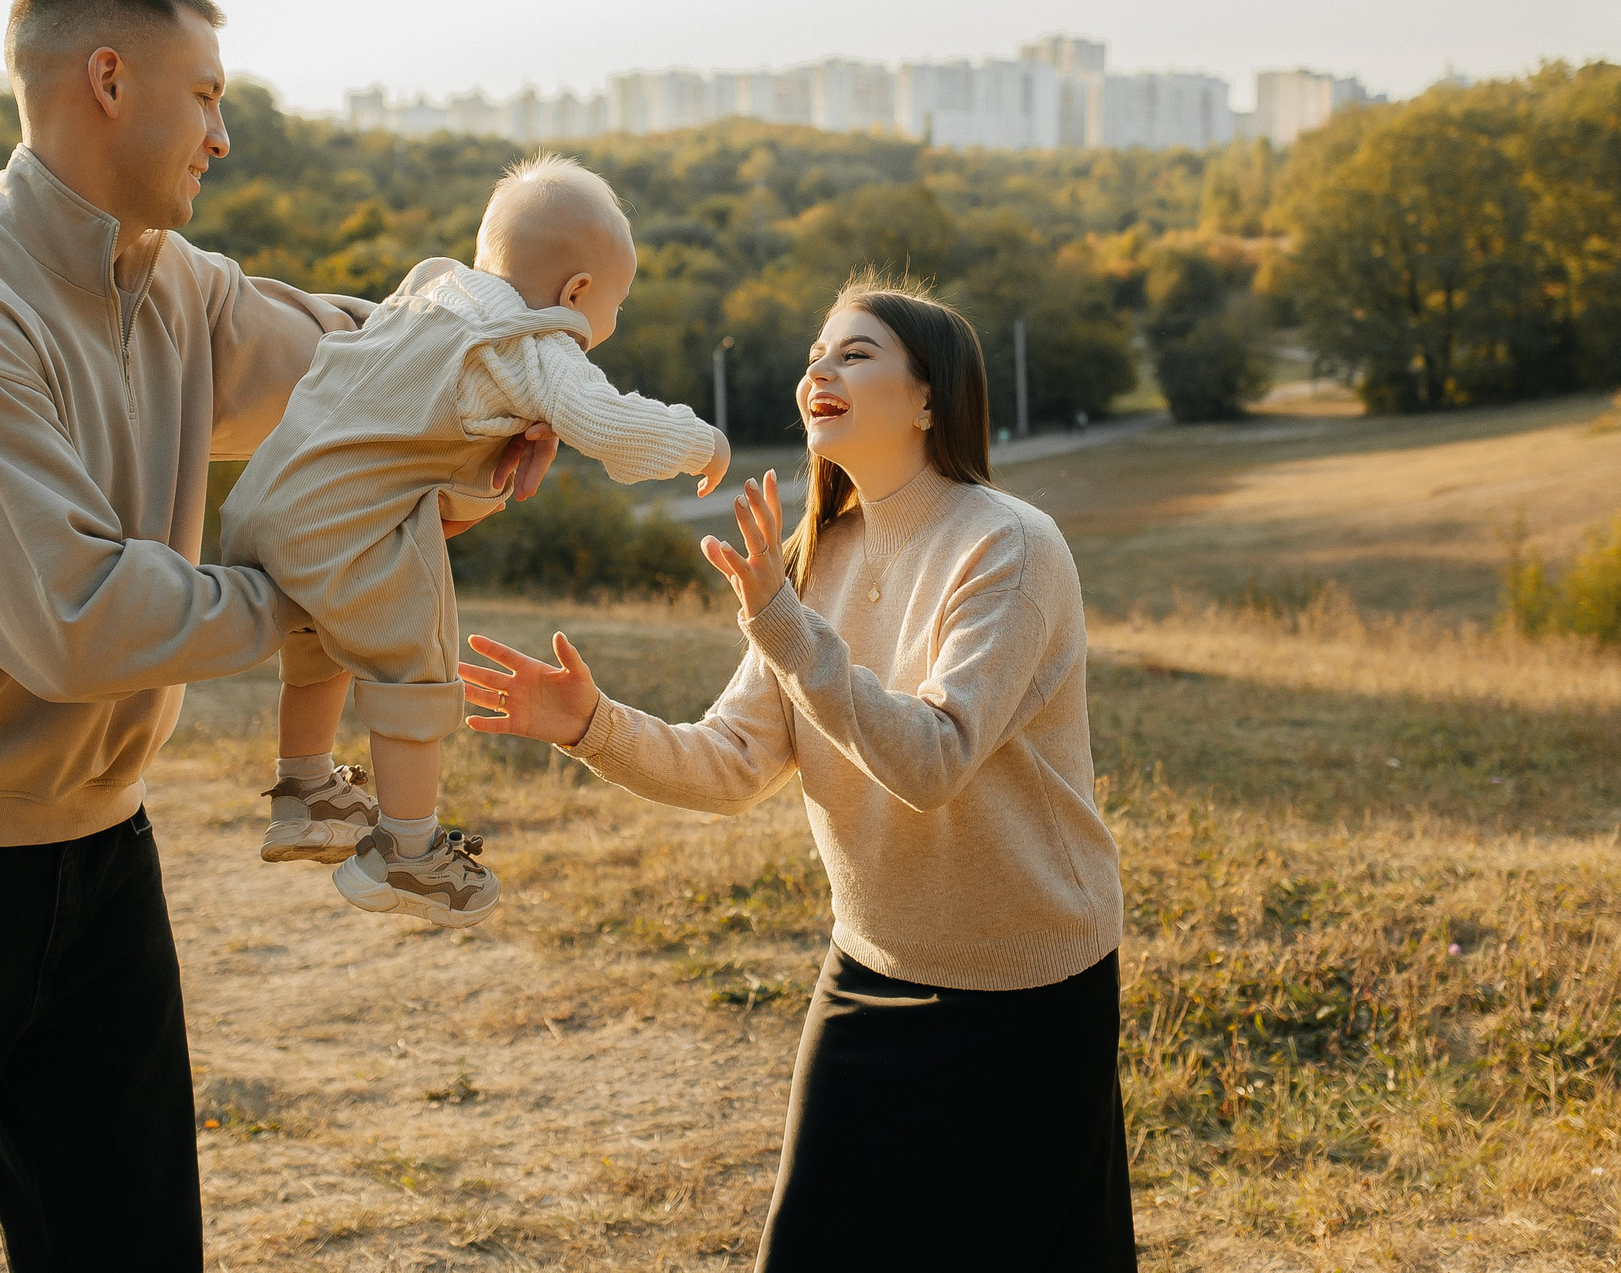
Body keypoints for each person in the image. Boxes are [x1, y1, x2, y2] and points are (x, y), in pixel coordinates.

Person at [0, 0, 557, 1273]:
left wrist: (494, 390)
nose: (224, 130)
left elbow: (340, 365)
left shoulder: (172, 282)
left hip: (101, 856)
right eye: (206, 93)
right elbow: (79, 614)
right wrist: (326, 589)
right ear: (109, 78)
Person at [460, 277, 1137, 1272]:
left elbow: (934, 760)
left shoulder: (1010, 547)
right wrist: (592, 725)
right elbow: (732, 762)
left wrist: (782, 622)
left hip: (1023, 991)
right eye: (816, 354)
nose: (819, 369)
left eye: (855, 354)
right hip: (872, 968)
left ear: (927, 398)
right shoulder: (817, 558)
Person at [223, 152, 731, 928]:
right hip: (343, 525)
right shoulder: (535, 343)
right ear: (578, 294)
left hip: (264, 499)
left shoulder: (432, 287)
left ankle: (305, 792)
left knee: (327, 632)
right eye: (617, 306)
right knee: (414, 652)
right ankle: (408, 850)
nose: (610, 325)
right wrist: (700, 443)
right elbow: (613, 426)